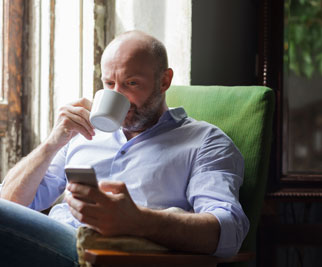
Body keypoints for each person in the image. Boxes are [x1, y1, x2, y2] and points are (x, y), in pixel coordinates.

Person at [0, 30, 249, 266]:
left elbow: (229, 231)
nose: (118, 96)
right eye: (109, 84)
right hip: (53, 241)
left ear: (164, 81)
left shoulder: (204, 142)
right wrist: (51, 143)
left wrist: (137, 221)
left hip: (101, 256)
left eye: (131, 83)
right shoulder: (83, 134)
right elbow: (10, 203)